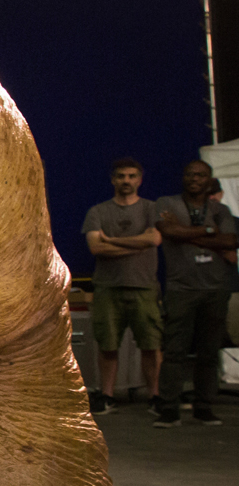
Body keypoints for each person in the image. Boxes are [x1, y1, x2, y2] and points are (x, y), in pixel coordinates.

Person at [152, 160, 238, 427]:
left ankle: (204, 406)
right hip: (181, 288)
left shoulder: (220, 209)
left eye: (200, 175)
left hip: (215, 287)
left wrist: (188, 234)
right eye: (189, 174)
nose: (194, 178)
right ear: (183, 177)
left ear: (209, 180)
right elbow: (168, 230)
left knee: (209, 351)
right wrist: (211, 232)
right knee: (174, 349)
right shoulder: (166, 203)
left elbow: (231, 241)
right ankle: (168, 408)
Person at [81, 157, 162, 413]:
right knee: (107, 345)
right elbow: (96, 247)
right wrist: (139, 243)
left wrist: (112, 241)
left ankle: (156, 396)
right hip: (108, 287)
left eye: (131, 176)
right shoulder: (98, 212)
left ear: (139, 179)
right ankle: (107, 395)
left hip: (144, 287)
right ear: (113, 179)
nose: (126, 181)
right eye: (121, 176)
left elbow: (155, 239)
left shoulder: (151, 208)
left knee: (151, 344)